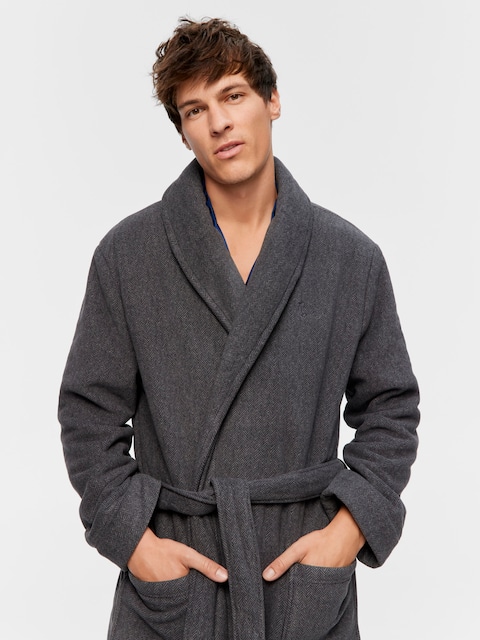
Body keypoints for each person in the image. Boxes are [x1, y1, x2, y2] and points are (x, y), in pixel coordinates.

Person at [58, 16, 420, 640]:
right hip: (177, 580)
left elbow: (391, 408)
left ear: (272, 100)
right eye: (195, 110)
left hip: (300, 576)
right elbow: (88, 416)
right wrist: (138, 546)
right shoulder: (128, 255)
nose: (219, 123)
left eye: (232, 95)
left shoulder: (350, 258)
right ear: (183, 132)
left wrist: (346, 531)